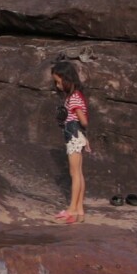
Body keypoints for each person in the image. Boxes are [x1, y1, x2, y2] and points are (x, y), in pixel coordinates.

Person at [52, 61, 89, 224]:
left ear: (66, 79)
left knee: (74, 174)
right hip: (76, 136)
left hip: (73, 136)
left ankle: (72, 209)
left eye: (58, 81)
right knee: (79, 173)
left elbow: (83, 121)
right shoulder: (76, 96)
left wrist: (73, 123)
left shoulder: (73, 98)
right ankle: (79, 210)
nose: (57, 85)